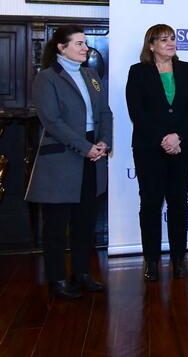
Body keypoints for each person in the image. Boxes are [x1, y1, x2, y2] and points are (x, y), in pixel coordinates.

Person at [26, 25, 112, 299]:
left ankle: (82, 273)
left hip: (92, 154)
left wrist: (104, 143)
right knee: (56, 225)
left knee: (85, 221)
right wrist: (86, 147)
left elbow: (104, 112)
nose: (85, 48)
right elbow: (52, 122)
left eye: (85, 43)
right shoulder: (47, 78)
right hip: (63, 159)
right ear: (61, 48)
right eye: (79, 44)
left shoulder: (90, 74)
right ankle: (57, 280)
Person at [125, 24, 188, 281]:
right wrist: (163, 138)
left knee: (179, 201)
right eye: (163, 40)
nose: (170, 43)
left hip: (183, 146)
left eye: (172, 38)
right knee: (150, 203)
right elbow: (138, 112)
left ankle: (179, 259)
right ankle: (151, 261)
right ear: (151, 46)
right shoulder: (138, 72)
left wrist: (177, 136)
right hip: (149, 148)